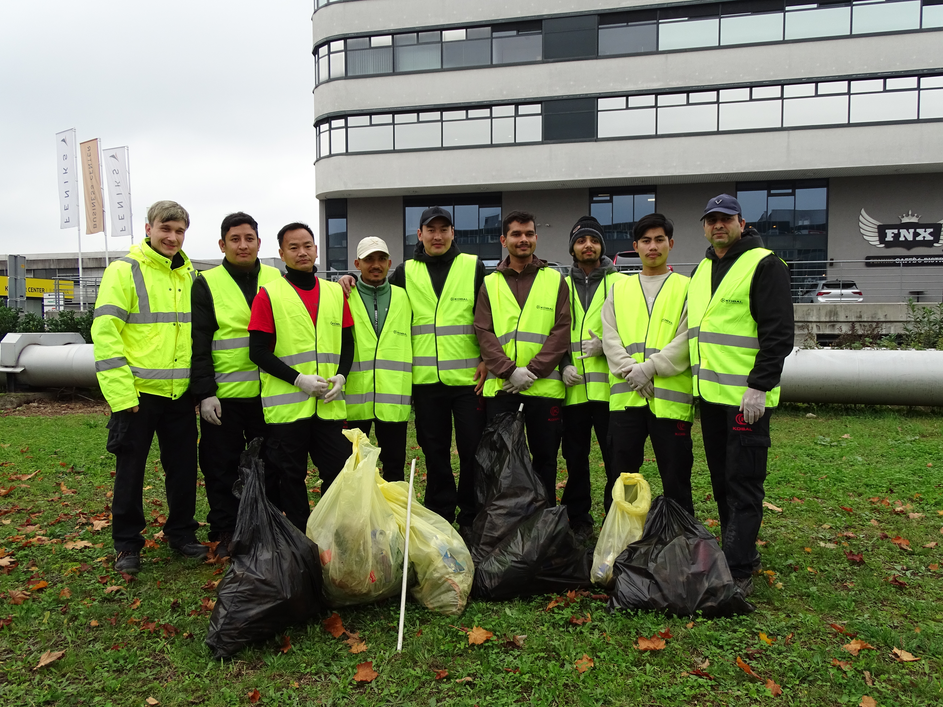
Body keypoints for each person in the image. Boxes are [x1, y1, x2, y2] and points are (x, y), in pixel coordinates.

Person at [341, 207, 487, 535]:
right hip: (424, 381)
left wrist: (489, 358)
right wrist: (346, 280)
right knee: (435, 452)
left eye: (443, 229)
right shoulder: (405, 272)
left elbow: (487, 317)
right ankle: (439, 513)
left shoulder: (473, 266)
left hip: (467, 381)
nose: (437, 236)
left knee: (471, 449)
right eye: (430, 230)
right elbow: (375, 293)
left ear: (453, 233)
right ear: (419, 235)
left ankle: (471, 516)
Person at [92, 200, 206, 574]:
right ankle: (127, 544)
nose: (172, 237)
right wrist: (122, 395)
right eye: (165, 229)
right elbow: (106, 336)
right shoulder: (123, 270)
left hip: (179, 395)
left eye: (179, 231)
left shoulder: (190, 277)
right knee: (130, 472)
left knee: (183, 468)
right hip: (137, 395)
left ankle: (181, 534)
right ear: (148, 229)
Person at [689, 194, 794, 596]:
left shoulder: (764, 264)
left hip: (745, 400)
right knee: (721, 478)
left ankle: (739, 569)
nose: (718, 225)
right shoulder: (703, 268)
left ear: (741, 222)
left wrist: (759, 386)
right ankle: (738, 549)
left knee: (744, 480)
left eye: (725, 219)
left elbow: (779, 333)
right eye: (711, 219)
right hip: (712, 397)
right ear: (704, 226)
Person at [248, 222, 354, 531]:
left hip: (329, 405)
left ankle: (330, 531)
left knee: (337, 469)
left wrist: (342, 376)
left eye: (307, 245)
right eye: (293, 247)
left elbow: (348, 342)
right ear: (281, 254)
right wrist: (298, 379)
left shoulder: (335, 293)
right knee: (290, 476)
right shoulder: (269, 294)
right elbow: (258, 351)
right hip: (288, 407)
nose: (302, 252)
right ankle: (298, 536)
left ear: (316, 249)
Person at [190, 212, 282, 557]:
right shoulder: (207, 283)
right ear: (222, 244)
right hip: (225, 398)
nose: (243, 245)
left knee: (271, 465)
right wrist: (205, 393)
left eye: (249, 238)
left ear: (259, 242)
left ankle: (266, 524)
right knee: (221, 467)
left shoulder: (276, 277)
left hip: (271, 395)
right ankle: (226, 529)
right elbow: (198, 342)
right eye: (235, 239)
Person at [601, 213, 694, 517]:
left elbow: (687, 337)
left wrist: (649, 368)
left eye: (658, 240)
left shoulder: (687, 287)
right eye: (645, 241)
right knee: (624, 476)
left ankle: (681, 538)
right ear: (635, 246)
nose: (652, 246)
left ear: (671, 243)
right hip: (627, 400)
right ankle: (625, 536)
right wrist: (633, 372)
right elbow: (609, 337)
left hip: (669, 401)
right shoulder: (619, 289)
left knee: (676, 475)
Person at [475, 211, 570, 505]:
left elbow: (562, 327)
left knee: (545, 460)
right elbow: (483, 330)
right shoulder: (490, 283)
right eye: (516, 234)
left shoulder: (554, 280)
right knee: (503, 461)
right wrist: (508, 371)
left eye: (529, 234)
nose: (523, 240)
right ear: (504, 240)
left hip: (543, 388)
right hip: (504, 389)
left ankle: (542, 524)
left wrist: (533, 370)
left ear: (536, 238)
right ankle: (508, 524)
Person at [558, 216, 624, 539]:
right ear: (573, 246)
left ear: (601, 247)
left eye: (594, 240)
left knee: (615, 457)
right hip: (572, 390)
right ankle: (578, 518)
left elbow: (630, 329)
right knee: (575, 457)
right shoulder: (560, 285)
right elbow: (549, 330)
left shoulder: (620, 284)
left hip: (609, 391)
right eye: (582, 240)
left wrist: (606, 346)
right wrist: (561, 365)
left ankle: (615, 516)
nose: (588, 246)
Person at [345, 236, 412, 482]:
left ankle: (392, 515)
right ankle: (354, 517)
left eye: (381, 259)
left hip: (393, 398)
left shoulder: (405, 297)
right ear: (357, 263)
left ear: (389, 262)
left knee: (394, 466)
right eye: (369, 259)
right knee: (353, 466)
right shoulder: (343, 295)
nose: (376, 264)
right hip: (354, 399)